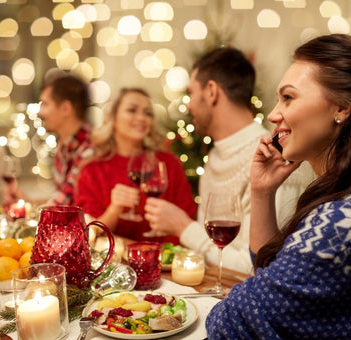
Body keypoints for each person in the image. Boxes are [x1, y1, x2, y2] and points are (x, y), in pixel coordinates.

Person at [206, 34, 351, 339]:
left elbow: (232, 322)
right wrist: (263, 191)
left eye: (288, 98)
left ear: (341, 108)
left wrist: (239, 303)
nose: (274, 114)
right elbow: (273, 280)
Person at [143, 47, 315, 274]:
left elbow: (255, 267)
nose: (189, 105)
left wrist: (183, 227)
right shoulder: (214, 157)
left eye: (191, 93)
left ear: (211, 91)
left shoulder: (274, 160)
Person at [74, 88, 196, 242]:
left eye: (147, 113)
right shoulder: (91, 170)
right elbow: (88, 235)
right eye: (132, 110)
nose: (141, 118)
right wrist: (114, 209)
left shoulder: (168, 164)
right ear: (113, 117)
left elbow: (186, 221)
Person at [38, 73, 93, 205]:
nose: (40, 112)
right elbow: (60, 197)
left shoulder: (90, 147)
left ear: (66, 108)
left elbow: (66, 203)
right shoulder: (63, 145)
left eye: (45, 104)